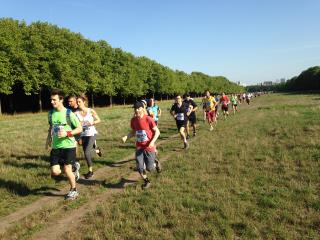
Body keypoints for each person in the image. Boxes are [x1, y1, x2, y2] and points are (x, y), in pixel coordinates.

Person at [45, 89, 82, 200]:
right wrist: (48, 139)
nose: (52, 102)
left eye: (54, 100)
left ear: (61, 100)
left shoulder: (68, 113)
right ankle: (74, 167)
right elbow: (51, 127)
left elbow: (79, 128)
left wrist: (67, 133)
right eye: (51, 100)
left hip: (69, 146)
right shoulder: (50, 114)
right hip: (56, 147)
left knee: (67, 170)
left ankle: (73, 190)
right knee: (55, 172)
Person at [122, 101, 160, 189]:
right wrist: (126, 137)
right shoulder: (134, 120)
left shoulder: (148, 119)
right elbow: (133, 131)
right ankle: (147, 181)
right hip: (139, 146)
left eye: (138, 108)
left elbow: (157, 132)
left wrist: (152, 142)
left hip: (149, 146)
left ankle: (155, 163)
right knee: (139, 167)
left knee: (150, 168)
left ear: (142, 108)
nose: (136, 110)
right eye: (135, 109)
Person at [75, 95, 101, 179]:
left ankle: (90, 171)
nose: (78, 103)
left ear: (84, 102)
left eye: (79, 102)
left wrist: (92, 123)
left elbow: (99, 120)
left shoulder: (90, 111)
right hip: (83, 134)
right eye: (77, 102)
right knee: (87, 150)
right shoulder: (76, 113)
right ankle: (96, 149)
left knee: (86, 152)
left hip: (91, 133)